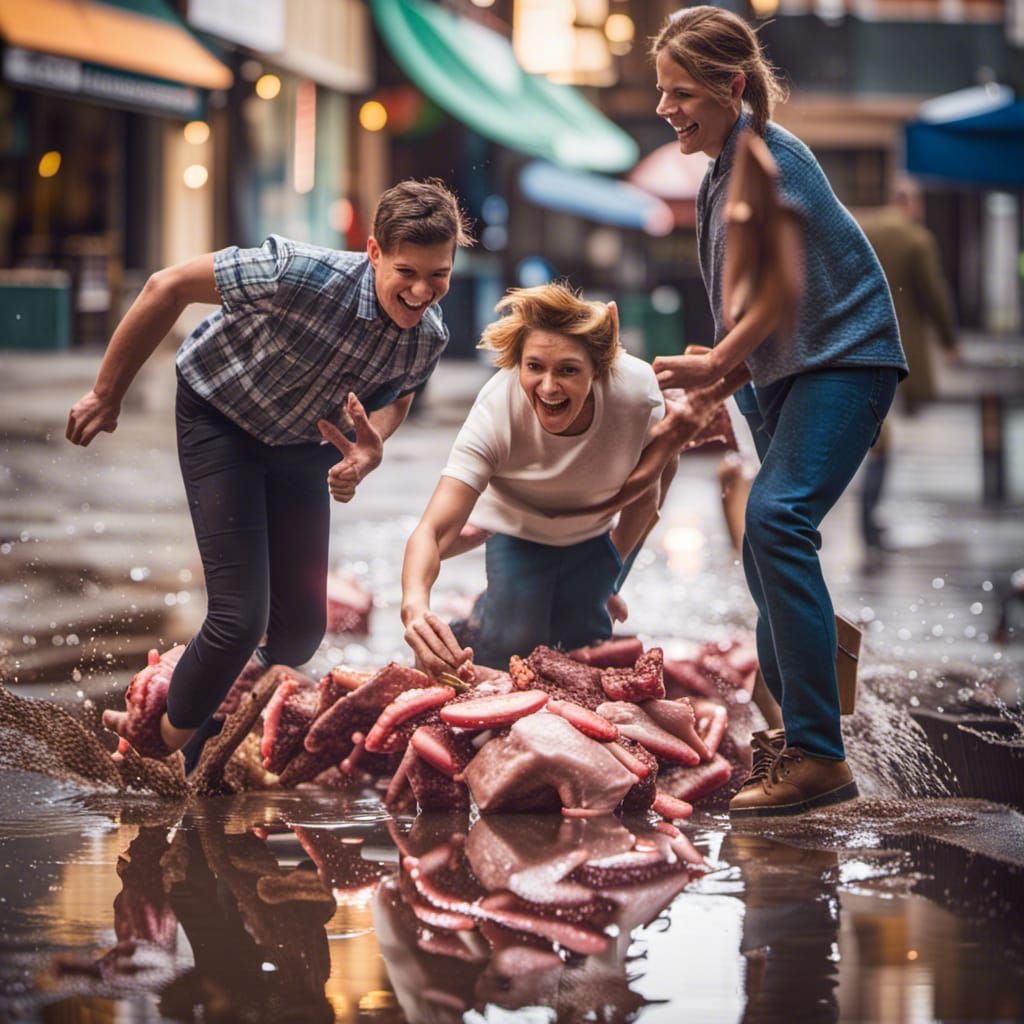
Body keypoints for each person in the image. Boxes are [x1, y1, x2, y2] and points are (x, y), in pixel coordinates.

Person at [66, 179, 473, 759]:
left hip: (302, 444)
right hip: (220, 415)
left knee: (299, 634)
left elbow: (398, 397)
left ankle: (190, 691)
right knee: (239, 618)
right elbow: (168, 286)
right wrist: (107, 395)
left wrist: (369, 444)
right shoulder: (296, 272)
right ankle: (151, 751)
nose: (421, 290)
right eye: (407, 270)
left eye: (439, 274)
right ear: (374, 252)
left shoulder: (426, 339)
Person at [649, 7, 908, 817]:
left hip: (845, 362)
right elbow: (743, 315)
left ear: (732, 87)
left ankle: (819, 755)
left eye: (681, 92)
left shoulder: (768, 155)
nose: (665, 108)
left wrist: (717, 370)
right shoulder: (723, 168)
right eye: (662, 92)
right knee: (766, 549)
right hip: (785, 374)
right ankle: (799, 719)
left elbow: (778, 293)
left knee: (776, 521)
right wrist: (716, 393)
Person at [400, 283, 667, 675]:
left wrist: (613, 573)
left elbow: (648, 496)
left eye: (568, 370)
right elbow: (432, 530)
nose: (548, 387)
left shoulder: (637, 393)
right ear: (518, 365)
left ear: (598, 368)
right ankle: (478, 620)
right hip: (518, 528)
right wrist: (415, 606)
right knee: (511, 647)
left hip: (593, 530)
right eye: (535, 367)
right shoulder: (497, 410)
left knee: (584, 648)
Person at [858, 177, 959, 557]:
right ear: (912, 204)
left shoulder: (864, 229)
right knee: (882, 438)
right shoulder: (916, 238)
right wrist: (949, 342)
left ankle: (869, 520)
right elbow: (934, 294)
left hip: (857, 343)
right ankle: (868, 522)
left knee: (876, 431)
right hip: (898, 347)